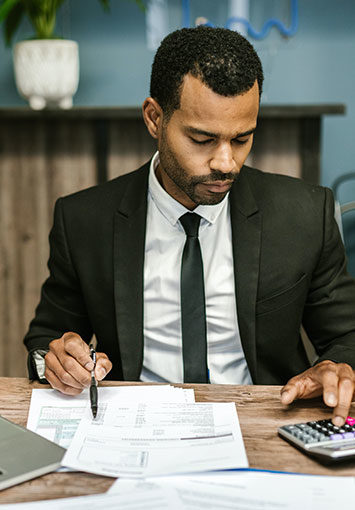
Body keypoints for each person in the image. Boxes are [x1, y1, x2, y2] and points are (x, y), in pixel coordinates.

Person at [24, 26, 355, 426]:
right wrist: (57, 362)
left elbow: (347, 334)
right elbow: (46, 342)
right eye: (202, 139)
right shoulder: (83, 221)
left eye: (242, 138)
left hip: (266, 423)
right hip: (133, 428)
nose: (226, 162)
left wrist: (337, 365)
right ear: (154, 119)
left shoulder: (304, 214)